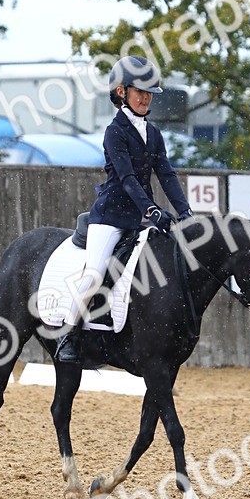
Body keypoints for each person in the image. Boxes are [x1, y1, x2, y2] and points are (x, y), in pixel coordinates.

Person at [55, 54, 193, 364]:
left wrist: (185, 211)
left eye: (149, 94)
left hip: (139, 220)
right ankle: (69, 335)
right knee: (93, 276)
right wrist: (152, 210)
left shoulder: (154, 134)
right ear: (121, 92)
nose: (146, 98)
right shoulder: (114, 132)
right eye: (140, 92)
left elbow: (167, 175)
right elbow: (128, 179)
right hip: (112, 217)